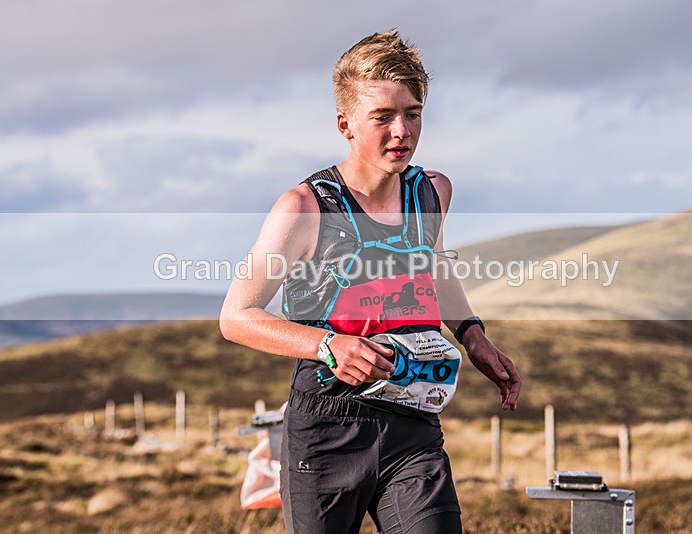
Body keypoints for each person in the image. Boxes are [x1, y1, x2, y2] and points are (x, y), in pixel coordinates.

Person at [220, 29, 522, 534]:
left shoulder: (431, 192)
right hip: (327, 427)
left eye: (413, 113)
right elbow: (237, 316)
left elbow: (432, 266)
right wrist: (329, 345)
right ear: (346, 124)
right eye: (382, 117)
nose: (401, 131)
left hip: (413, 421)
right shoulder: (304, 208)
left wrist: (472, 335)